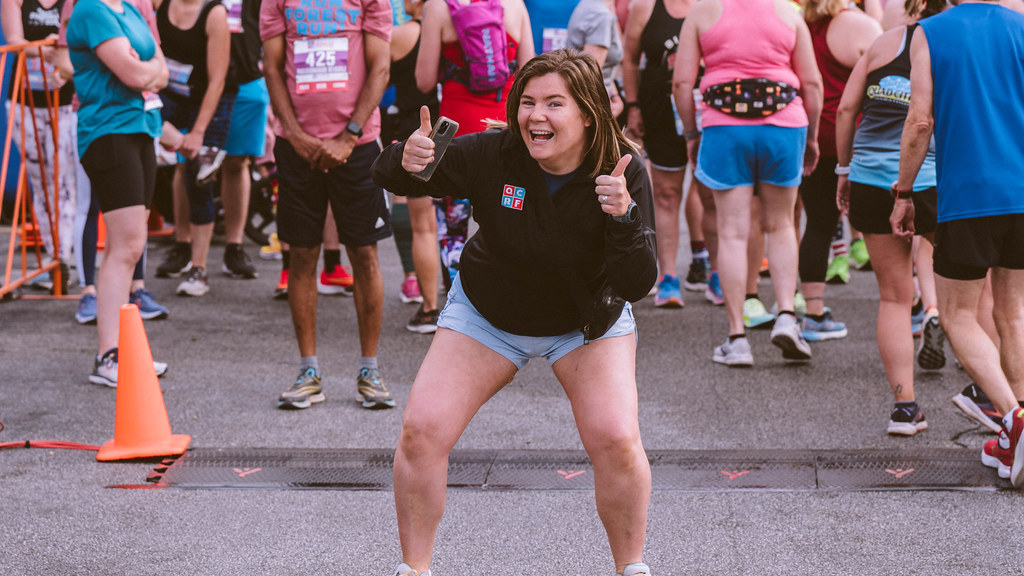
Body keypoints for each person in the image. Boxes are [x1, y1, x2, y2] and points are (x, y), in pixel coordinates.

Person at [373, 49, 658, 576]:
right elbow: (397, 175)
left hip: (585, 322)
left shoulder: (620, 168)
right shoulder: (495, 152)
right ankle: (413, 568)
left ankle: (631, 567)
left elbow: (639, 281)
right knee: (421, 431)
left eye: (554, 103)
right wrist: (403, 158)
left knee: (616, 438)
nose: (536, 116)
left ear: (588, 113)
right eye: (527, 102)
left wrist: (623, 216)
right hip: (488, 313)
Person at [890, 0, 1024, 486]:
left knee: (958, 315)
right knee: (1012, 311)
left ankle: (1015, 418)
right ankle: (1015, 441)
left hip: (970, 194)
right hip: (1021, 191)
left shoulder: (931, 31)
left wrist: (904, 192)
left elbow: (920, 120)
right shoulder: (1019, 25)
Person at [260, 0, 395, 410]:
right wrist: (297, 136)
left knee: (364, 254)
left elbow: (381, 68)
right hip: (295, 145)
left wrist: (349, 137)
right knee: (301, 255)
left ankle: (369, 370)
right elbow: (271, 67)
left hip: (357, 144)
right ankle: (308, 371)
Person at [674, 0, 823, 366]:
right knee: (782, 223)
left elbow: (681, 82)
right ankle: (787, 315)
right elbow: (813, 84)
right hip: (783, 124)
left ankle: (737, 337)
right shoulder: (789, 12)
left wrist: (692, 134)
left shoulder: (702, 12)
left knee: (733, 232)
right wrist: (813, 138)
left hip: (725, 127)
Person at [835, 0, 943, 435]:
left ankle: (904, 407)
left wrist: (843, 170)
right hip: (933, 177)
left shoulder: (882, 44)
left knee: (895, 297)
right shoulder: (948, 44)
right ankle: (993, 396)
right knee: (963, 288)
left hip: (868, 176)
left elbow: (845, 110)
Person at [66, 0, 170, 385]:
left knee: (130, 246)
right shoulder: (91, 9)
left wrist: (150, 71)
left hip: (141, 129)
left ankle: (121, 351)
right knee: (125, 247)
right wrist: (149, 71)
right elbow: (136, 75)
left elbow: (161, 67)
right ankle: (108, 355)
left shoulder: (125, 7)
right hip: (110, 133)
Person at [416, 0, 534, 290]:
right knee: (508, 215)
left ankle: (459, 295)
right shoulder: (514, 5)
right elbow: (531, 71)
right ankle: (506, 294)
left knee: (453, 227)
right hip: (504, 126)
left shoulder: (438, 7)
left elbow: (424, 81)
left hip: (455, 134)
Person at [798, 0, 881, 341]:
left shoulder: (802, 23)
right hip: (858, 139)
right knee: (882, 228)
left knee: (818, 223)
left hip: (814, 136)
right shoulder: (858, 26)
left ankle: (813, 313)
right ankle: (914, 307)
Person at [151, 0, 235, 297]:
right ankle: (178, 247)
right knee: (145, 124)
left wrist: (198, 133)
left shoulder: (214, 14)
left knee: (198, 178)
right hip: (169, 96)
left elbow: (218, 81)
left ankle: (198, 269)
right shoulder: (159, 5)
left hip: (209, 97)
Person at [622, 0, 696, 309]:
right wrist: (633, 106)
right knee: (666, 193)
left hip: (708, 110)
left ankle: (718, 272)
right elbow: (628, 59)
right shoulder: (646, 7)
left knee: (712, 195)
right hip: (660, 111)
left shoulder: (715, 5)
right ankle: (668, 277)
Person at [2, 0, 77, 287]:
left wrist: (61, 59)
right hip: (25, 101)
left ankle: (65, 257)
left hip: (65, 101)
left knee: (65, 179)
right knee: (42, 181)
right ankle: (53, 255)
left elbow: (76, 42)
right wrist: (49, 51)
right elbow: (15, 41)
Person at [382, 0, 442, 334]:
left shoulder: (403, 34)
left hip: (415, 131)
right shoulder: (454, 30)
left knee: (424, 225)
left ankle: (430, 307)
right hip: (456, 127)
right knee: (456, 226)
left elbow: (376, 75)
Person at [567, 0, 624, 117]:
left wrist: (614, 94)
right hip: (593, 106)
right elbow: (589, 74)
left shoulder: (590, 5)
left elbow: (601, 67)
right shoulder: (600, 15)